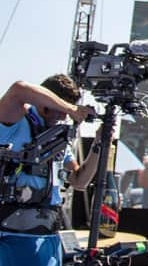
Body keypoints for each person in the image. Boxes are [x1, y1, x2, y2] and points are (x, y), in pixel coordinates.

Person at [0, 75, 97, 266]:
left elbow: (79, 181)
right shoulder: (14, 122)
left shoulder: (56, 138)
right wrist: (70, 108)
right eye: (60, 109)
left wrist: (100, 143)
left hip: (47, 238)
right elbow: (18, 89)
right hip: (12, 236)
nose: (64, 117)